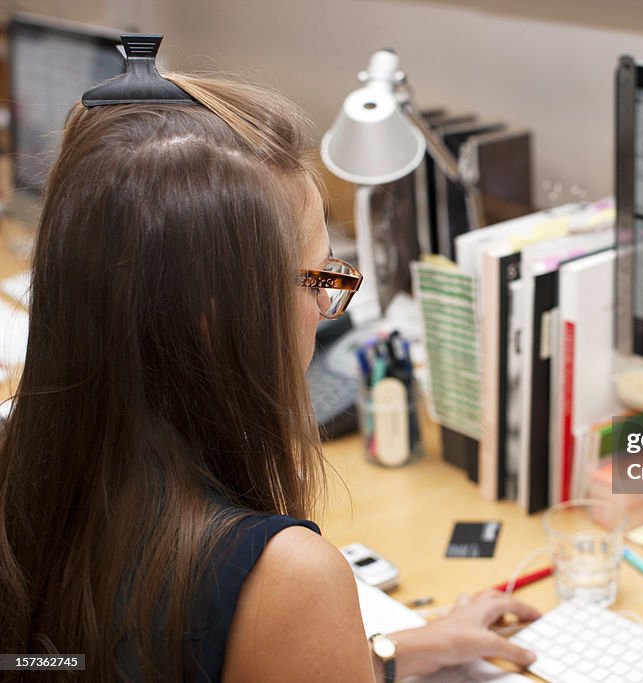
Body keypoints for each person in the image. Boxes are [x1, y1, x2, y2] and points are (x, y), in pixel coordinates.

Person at [0, 59, 538, 681]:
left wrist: (398, 651)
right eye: (319, 278)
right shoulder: (282, 577)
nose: (327, 305)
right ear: (216, 318)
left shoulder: (25, 462)